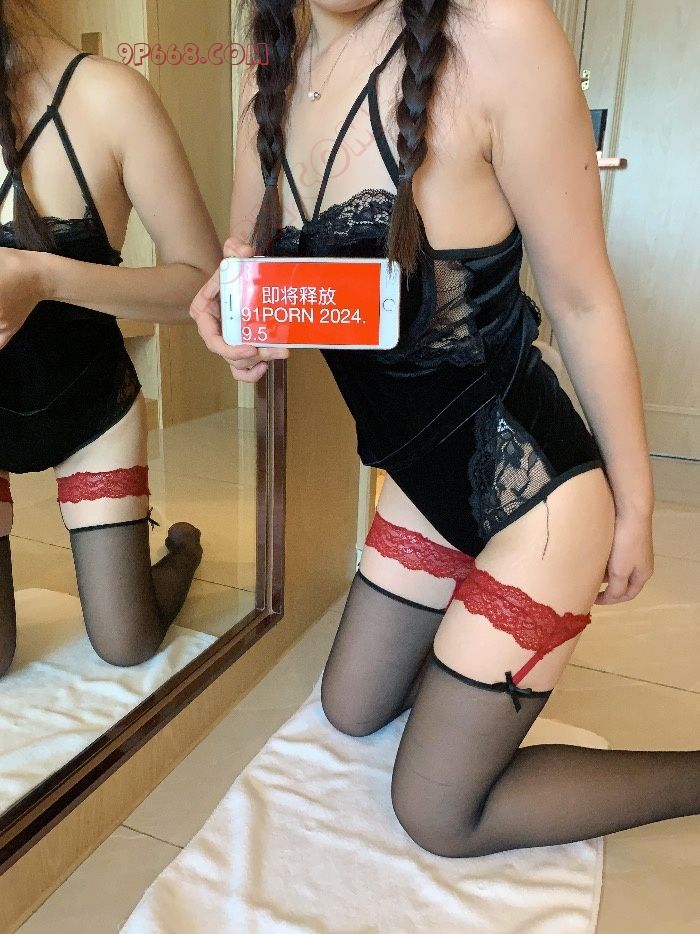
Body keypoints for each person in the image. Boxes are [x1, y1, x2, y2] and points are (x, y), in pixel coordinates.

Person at [191, 0, 700, 857]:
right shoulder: (267, 76)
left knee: (437, 815)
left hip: (532, 490)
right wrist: (228, 316)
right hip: (419, 482)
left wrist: (636, 505)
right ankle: (471, 666)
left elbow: (581, 298)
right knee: (350, 710)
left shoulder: (498, 31)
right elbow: (253, 269)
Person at [0, 1, 222, 676]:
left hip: (90, 405)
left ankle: (183, 549)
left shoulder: (109, 95)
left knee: (128, 643)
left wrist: (44, 277)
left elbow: (204, 285)